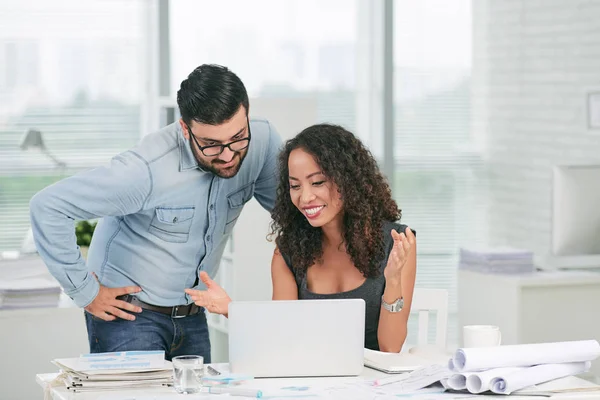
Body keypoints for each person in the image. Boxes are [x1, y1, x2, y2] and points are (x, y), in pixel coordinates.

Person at [29, 64, 282, 361]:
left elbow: (294, 214)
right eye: (211, 145)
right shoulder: (145, 170)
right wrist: (86, 293)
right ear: (185, 129)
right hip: (130, 316)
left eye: (238, 138)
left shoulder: (263, 142)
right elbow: (48, 206)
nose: (228, 155)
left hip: (192, 314)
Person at [186, 124, 417, 352]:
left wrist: (393, 279)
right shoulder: (289, 252)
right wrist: (230, 309)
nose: (305, 197)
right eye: (295, 186)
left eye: (317, 182)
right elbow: (282, 335)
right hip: (314, 382)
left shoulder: (398, 243)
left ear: (348, 180)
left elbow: (391, 347)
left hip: (373, 385)